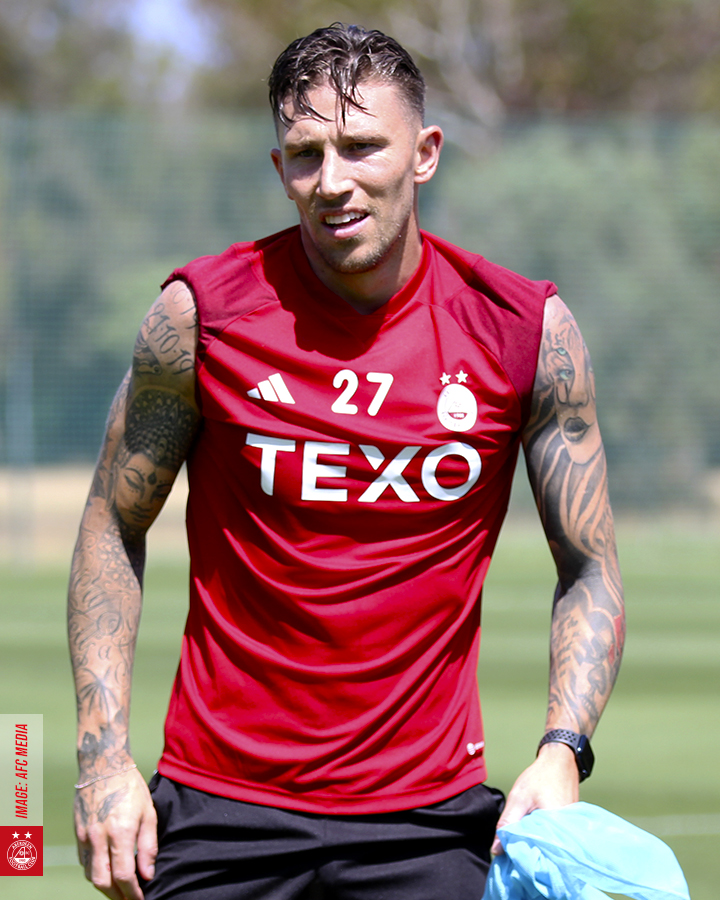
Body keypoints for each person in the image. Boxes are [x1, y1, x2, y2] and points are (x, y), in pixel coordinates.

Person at [68, 22, 625, 900]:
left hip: (429, 820)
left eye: (362, 146)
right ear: (279, 166)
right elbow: (111, 522)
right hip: (218, 810)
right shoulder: (200, 316)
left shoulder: (523, 331)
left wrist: (563, 750)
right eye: (305, 154)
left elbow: (589, 565)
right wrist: (102, 760)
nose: (332, 181)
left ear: (425, 153)